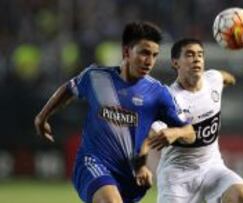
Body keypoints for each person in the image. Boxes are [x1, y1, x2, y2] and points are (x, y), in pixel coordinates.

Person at [34, 22, 195, 203]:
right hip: (92, 163)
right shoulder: (96, 77)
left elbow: (190, 133)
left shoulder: (158, 93)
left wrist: (175, 132)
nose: (149, 61)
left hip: (130, 177)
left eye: (154, 55)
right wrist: (42, 116)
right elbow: (69, 89)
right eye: (144, 53)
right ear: (126, 52)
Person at [145, 38, 243, 203]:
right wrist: (163, 132)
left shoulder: (213, 79)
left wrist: (231, 80)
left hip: (212, 168)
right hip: (177, 178)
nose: (196, 59)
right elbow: (155, 131)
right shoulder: (167, 98)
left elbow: (225, 77)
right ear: (175, 63)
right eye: (189, 55)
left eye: (200, 55)